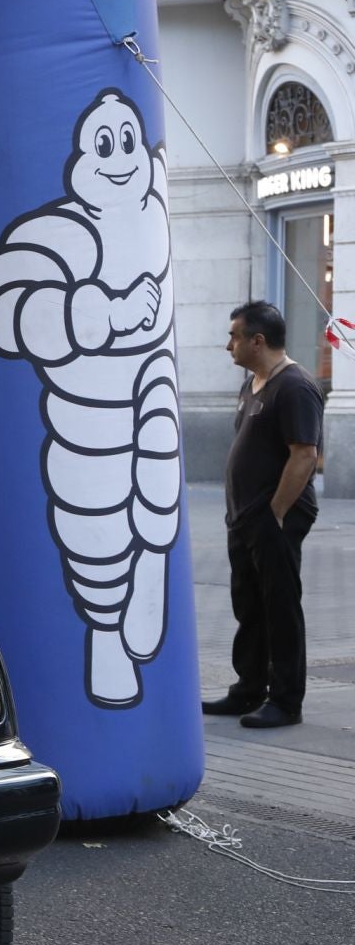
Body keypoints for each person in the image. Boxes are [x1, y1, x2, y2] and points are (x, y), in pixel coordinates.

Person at [202, 301, 325, 728]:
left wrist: (276, 512)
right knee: (249, 605)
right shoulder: (251, 385)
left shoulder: (294, 386)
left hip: (275, 517)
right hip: (244, 518)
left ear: (258, 340)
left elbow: (304, 454)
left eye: (234, 336)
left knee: (280, 607)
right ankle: (249, 689)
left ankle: (286, 701)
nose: (228, 346)